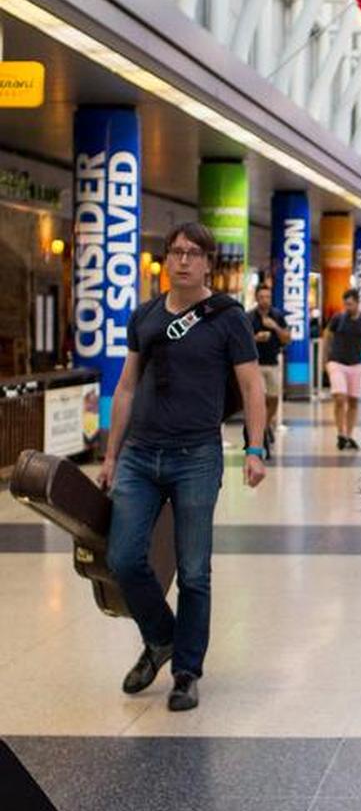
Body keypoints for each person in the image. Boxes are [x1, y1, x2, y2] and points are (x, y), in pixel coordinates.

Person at [99, 223, 267, 712]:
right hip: (138, 455)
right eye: (175, 252)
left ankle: (185, 671)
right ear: (166, 259)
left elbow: (253, 387)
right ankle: (161, 637)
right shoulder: (145, 315)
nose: (183, 261)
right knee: (124, 559)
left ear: (208, 264)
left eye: (194, 254)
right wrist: (110, 454)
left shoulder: (227, 318)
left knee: (194, 571)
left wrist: (254, 449)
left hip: (196, 455)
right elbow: (127, 387)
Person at [247, 282, 292, 461]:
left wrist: (274, 327)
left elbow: (287, 338)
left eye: (267, 297)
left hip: (273, 362)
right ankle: (262, 434)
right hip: (255, 364)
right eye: (262, 297)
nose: (265, 300)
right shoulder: (249, 317)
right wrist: (255, 338)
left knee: (273, 398)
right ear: (257, 298)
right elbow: (241, 340)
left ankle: (265, 425)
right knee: (259, 400)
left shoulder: (277, 316)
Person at [321, 287, 361, 450]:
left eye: (350, 304)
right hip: (336, 363)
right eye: (345, 304)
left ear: (357, 303)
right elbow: (327, 336)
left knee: (353, 401)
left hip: (356, 364)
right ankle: (340, 433)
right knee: (340, 398)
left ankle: (349, 435)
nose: (347, 307)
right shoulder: (338, 318)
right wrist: (324, 359)